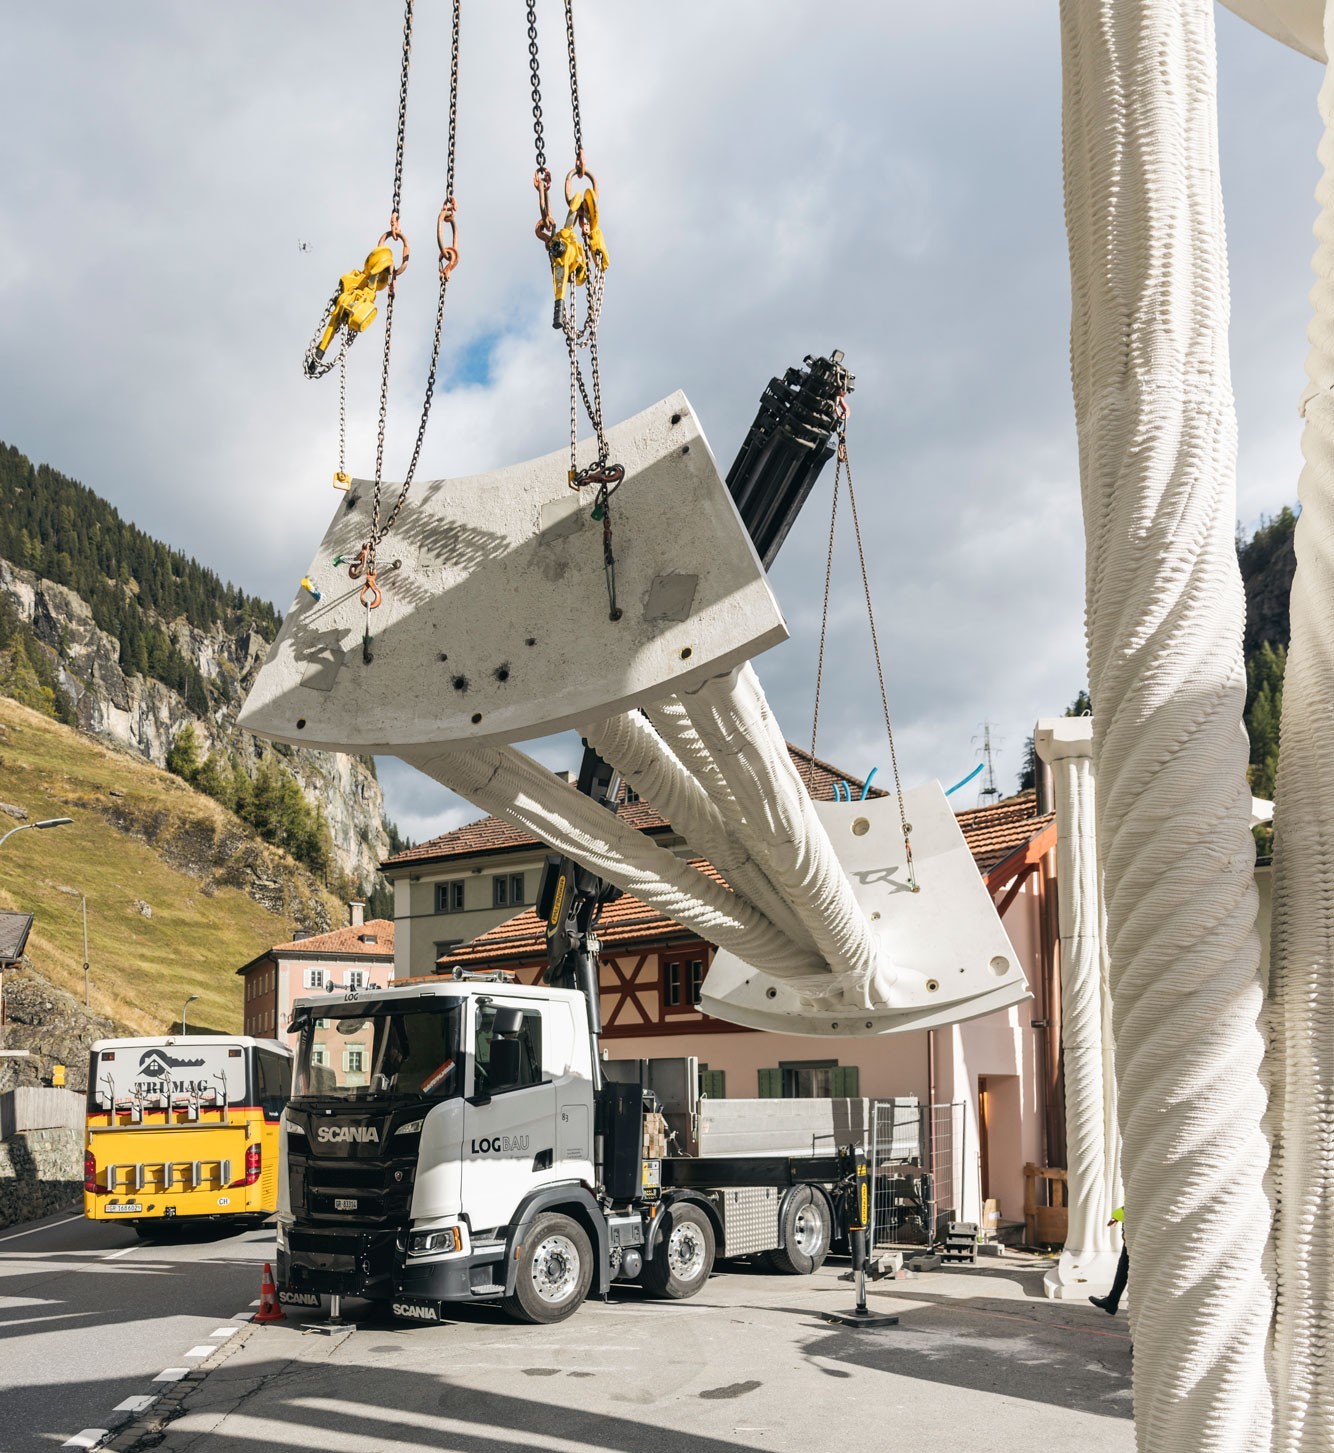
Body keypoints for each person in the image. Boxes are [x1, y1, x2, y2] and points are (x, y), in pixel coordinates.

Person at [1090, 1205, 1127, 1315]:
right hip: (1134, 1230)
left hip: (1138, 1231)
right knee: (1124, 1267)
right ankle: (1112, 1301)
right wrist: (1117, 1216)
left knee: (1124, 1268)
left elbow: (1136, 1201)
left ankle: (1112, 1302)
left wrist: (1118, 1216)